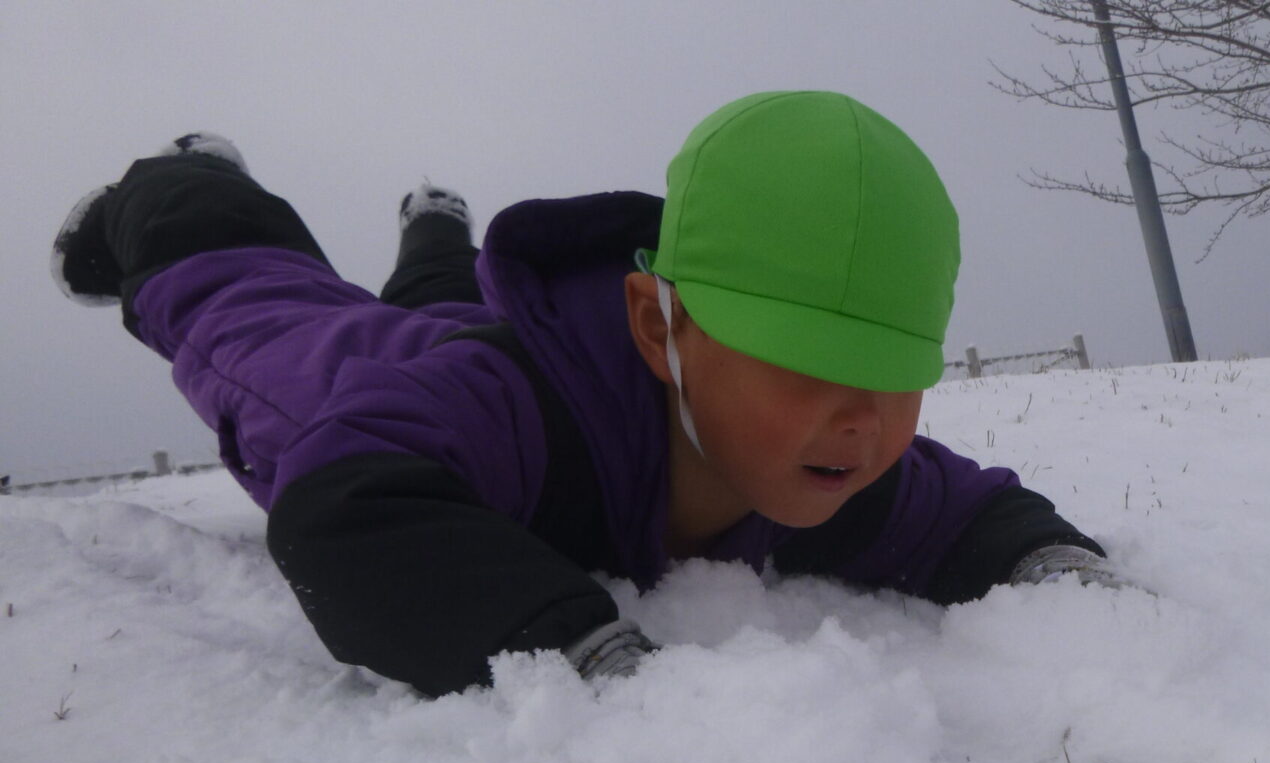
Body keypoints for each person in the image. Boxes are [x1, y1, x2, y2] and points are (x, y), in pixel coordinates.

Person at [51, 93, 1117, 697]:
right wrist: (570, 643)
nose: (864, 419)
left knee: (448, 296)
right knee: (253, 301)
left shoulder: (832, 456)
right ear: (660, 329)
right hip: (389, 379)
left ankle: (437, 233)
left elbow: (959, 511)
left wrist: (1049, 562)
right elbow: (351, 514)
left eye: (896, 371)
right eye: (801, 362)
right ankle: (191, 176)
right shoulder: (492, 410)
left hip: (499, 338)